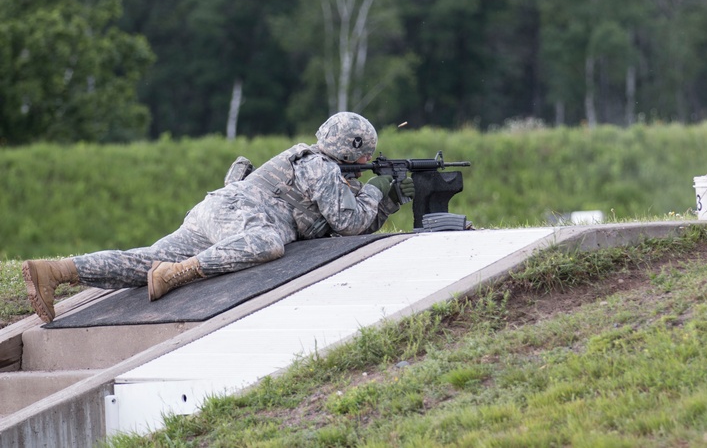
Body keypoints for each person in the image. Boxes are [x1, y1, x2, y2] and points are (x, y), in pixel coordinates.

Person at [21, 112, 413, 323]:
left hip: (218, 210)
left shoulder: (321, 167)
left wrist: (384, 202)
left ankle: (57, 270)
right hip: (239, 215)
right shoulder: (320, 166)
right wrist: (381, 192)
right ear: (352, 150)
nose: (367, 164)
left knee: (143, 260)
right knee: (266, 243)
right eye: (365, 158)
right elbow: (348, 223)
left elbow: (339, 228)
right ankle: (176, 274)